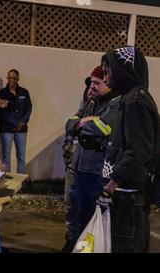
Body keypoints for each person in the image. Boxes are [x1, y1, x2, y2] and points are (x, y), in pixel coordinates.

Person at [98, 46, 159, 252]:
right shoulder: (131, 98)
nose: (106, 78)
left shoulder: (135, 101)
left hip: (128, 197)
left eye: (109, 71)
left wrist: (110, 186)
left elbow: (138, 152)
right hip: (127, 196)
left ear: (125, 70)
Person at [62, 66, 116, 252]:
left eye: (96, 83)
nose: (91, 87)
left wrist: (83, 125)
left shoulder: (114, 105)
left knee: (93, 222)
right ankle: (75, 245)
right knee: (76, 214)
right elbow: (70, 124)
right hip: (79, 168)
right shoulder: (91, 103)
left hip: (96, 172)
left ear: (108, 83)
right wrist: (83, 121)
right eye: (90, 82)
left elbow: (98, 131)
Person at [0, 69, 32, 173]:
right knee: (6, 158)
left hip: (21, 130)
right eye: (10, 78)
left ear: (18, 79)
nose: (12, 80)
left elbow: (29, 109)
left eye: (14, 78)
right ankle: (6, 183)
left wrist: (22, 122)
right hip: (6, 130)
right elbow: (2, 113)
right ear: (7, 78)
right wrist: (16, 123)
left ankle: (20, 182)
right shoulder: (2, 93)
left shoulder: (24, 92)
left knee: (21, 157)